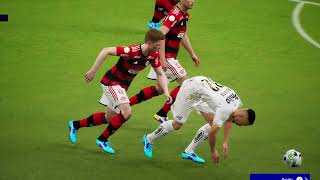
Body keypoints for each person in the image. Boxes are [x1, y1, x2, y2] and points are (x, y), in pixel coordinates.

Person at [68, 29, 172, 154]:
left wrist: (166, 92)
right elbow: (106, 50)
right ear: (149, 43)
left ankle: (75, 125)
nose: (160, 48)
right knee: (127, 112)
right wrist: (93, 71)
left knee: (108, 118)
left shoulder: (153, 55)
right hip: (111, 83)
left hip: (122, 87)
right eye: (158, 45)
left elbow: (160, 74)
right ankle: (103, 139)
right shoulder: (131, 51)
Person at [142, 76, 256, 163]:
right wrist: (213, 151)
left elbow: (230, 118)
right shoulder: (226, 110)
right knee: (178, 124)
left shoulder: (236, 101)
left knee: (213, 124)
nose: (241, 126)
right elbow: (212, 134)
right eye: (243, 124)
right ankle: (149, 139)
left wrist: (225, 142)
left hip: (202, 89)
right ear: (241, 116)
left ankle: (189, 152)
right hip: (190, 91)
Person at [130, 0, 200, 124]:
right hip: (167, 57)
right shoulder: (174, 14)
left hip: (169, 57)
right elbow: (160, 34)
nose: (193, 1)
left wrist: (192, 53)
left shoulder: (185, 14)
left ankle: (125, 105)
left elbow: (182, 34)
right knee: (186, 84)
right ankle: (162, 113)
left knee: (159, 89)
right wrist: (162, 59)